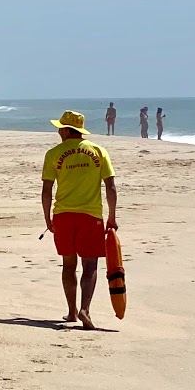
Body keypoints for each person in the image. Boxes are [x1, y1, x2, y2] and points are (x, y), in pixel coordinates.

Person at [42, 110, 119, 329]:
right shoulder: (98, 151)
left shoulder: (53, 154)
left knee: (68, 264)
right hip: (91, 215)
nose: (58, 131)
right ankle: (85, 310)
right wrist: (111, 217)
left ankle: (71, 312)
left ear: (67, 130)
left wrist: (47, 218)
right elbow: (110, 187)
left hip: (63, 215)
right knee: (90, 265)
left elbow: (47, 190)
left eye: (60, 128)